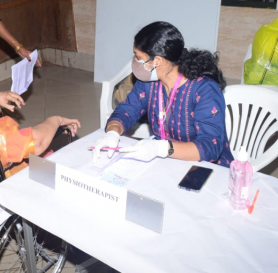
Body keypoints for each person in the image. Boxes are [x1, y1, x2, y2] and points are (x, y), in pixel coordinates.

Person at [93, 21, 234, 168]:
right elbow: (127, 110)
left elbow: (210, 147)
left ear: (158, 61)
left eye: (138, 57)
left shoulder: (204, 89)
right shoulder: (149, 82)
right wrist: (113, 132)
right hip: (164, 162)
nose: (135, 61)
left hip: (205, 168)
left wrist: (160, 148)